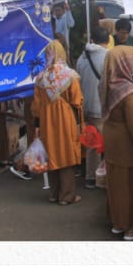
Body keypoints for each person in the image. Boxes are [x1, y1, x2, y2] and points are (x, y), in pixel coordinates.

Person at [101, 45, 133, 240]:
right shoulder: (128, 92)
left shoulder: (108, 84)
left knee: (116, 184)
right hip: (127, 145)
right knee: (131, 186)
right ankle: (132, 227)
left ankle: (117, 222)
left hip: (112, 141)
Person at [31, 39, 84, 205]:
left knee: (51, 153)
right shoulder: (70, 75)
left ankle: (54, 194)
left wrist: (38, 127)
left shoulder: (41, 78)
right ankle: (67, 196)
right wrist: (79, 124)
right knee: (66, 154)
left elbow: (37, 107)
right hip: (66, 118)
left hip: (46, 120)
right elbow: (76, 101)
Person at [75, 38, 108, 187]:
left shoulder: (82, 58)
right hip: (100, 106)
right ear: (107, 40)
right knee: (107, 143)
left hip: (85, 105)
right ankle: (103, 177)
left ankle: (90, 177)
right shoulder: (107, 56)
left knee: (91, 143)